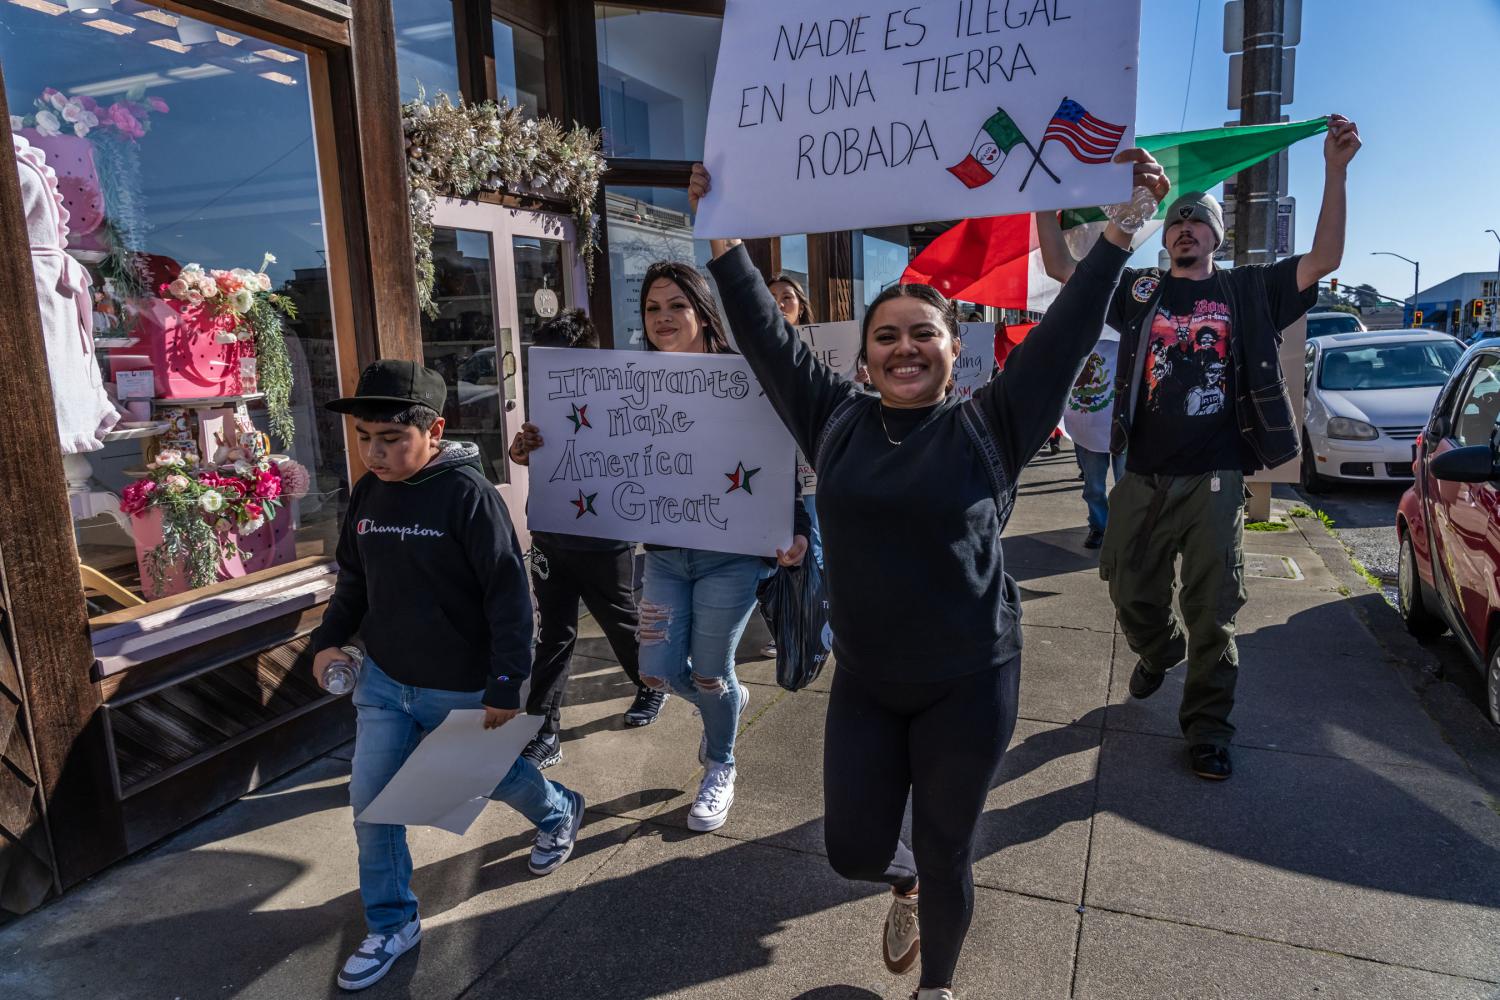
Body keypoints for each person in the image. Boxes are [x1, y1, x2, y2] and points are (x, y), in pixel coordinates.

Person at [690, 150, 1168, 1000]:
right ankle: (900, 879)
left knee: (948, 848)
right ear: (864, 357)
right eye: (887, 336)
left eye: (923, 334)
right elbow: (766, 337)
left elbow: (1066, 333)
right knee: (852, 850)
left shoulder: (992, 424)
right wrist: (722, 239)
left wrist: (1123, 230)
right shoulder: (834, 420)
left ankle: (937, 987)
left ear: (954, 349)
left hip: (969, 680)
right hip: (868, 680)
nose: (904, 348)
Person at [1036, 113, 1362, 781]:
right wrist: (1042, 197)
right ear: (1166, 235)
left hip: (1216, 478)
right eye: (1177, 220)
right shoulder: (1141, 291)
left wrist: (1335, 171)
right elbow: (1063, 267)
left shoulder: (1248, 290)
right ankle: (1159, 651)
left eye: (1199, 220)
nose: (1186, 226)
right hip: (1141, 474)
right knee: (1129, 591)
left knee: (1213, 610)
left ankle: (1208, 727)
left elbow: (1324, 260)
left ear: (1217, 235)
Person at [310, 360, 585, 991]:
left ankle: (557, 810)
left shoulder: (469, 496)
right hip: (383, 684)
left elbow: (509, 598)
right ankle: (392, 923)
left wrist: (507, 684)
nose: (374, 453)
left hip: (460, 685)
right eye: (364, 438)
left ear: (434, 430)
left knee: (492, 777)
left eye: (391, 439)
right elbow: (354, 582)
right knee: (373, 809)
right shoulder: (368, 493)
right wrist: (326, 644)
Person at [520, 262, 809, 835]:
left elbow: (783, 462)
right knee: (656, 671)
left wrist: (797, 528)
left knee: (710, 672)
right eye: (652, 308)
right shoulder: (627, 383)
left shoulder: (745, 376)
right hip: (666, 557)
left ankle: (720, 765)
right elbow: (589, 453)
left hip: (732, 555)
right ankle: (726, 702)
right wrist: (538, 447)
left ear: (703, 310)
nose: (663, 317)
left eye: (676, 305)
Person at [507, 310, 662, 773]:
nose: (552, 369)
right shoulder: (545, 398)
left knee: (620, 620)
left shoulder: (619, 396)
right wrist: (522, 449)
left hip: (604, 538)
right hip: (550, 534)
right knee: (553, 632)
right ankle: (543, 729)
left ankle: (651, 682)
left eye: (560, 359)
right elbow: (522, 454)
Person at [1063, 329, 1126, 548]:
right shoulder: (1078, 338)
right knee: (1094, 487)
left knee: (1126, 484)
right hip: (1088, 426)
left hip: (1122, 425)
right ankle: (1099, 526)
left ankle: (1126, 528)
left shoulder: (1128, 337)